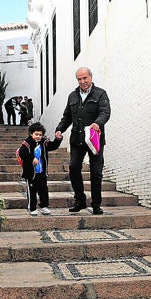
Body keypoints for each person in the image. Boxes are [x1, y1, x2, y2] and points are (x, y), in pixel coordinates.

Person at [54, 67, 111, 214]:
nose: (82, 81)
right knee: (73, 168)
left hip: (94, 139)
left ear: (90, 77)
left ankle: (96, 205)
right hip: (77, 139)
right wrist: (60, 129)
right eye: (79, 79)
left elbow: (105, 112)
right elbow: (67, 116)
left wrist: (97, 123)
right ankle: (80, 201)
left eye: (85, 78)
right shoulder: (72, 96)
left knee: (96, 172)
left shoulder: (100, 94)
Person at [16, 122, 62, 216]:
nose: (38, 136)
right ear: (31, 134)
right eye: (36, 134)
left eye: (40, 135)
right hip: (31, 173)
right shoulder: (26, 144)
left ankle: (44, 206)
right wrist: (32, 158)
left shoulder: (44, 143)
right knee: (32, 191)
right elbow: (21, 153)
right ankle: (32, 208)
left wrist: (58, 139)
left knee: (43, 189)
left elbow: (53, 146)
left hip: (42, 172)